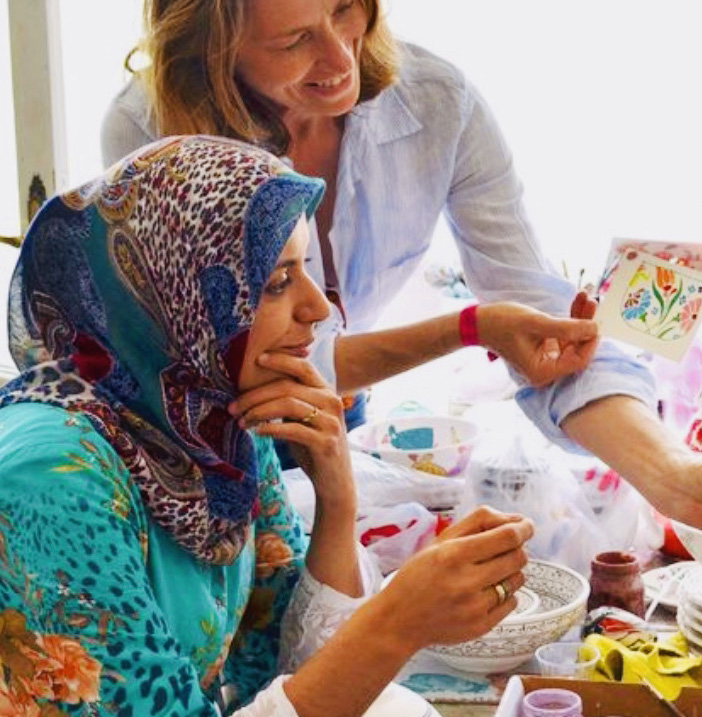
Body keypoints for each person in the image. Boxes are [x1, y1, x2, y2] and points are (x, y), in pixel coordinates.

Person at [100, 0, 702, 539]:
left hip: (333, 413)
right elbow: (261, 364)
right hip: (202, 440)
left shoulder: (438, 106)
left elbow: (545, 324)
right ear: (213, 51)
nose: (342, 58)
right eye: (292, 42)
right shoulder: (151, 132)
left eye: (345, 6)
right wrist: (470, 327)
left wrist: (675, 478)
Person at [0, 134, 581, 715]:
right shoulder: (54, 474)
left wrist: (337, 498)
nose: (318, 308)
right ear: (172, 297)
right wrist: (397, 621)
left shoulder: (211, 421)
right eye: (276, 282)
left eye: (303, 269)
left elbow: (293, 669)